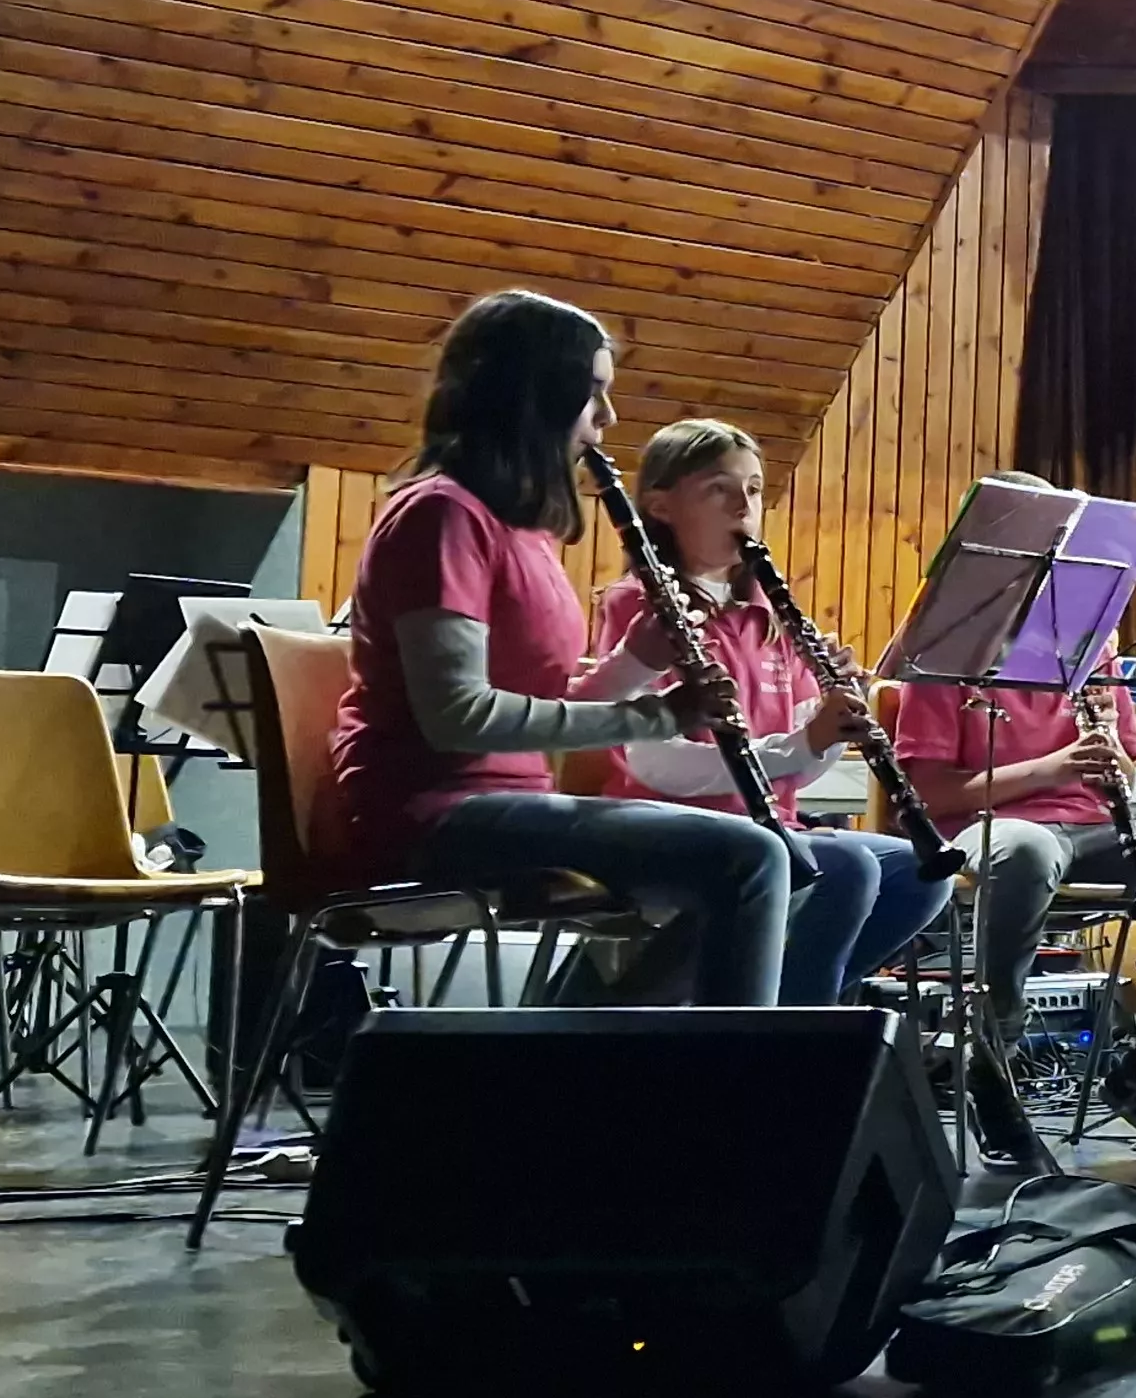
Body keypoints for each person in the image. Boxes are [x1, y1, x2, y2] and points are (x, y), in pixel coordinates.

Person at [323, 291, 788, 1005]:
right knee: (748, 859)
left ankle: (582, 1048)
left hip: (508, 800)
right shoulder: (441, 515)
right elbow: (457, 717)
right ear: (533, 395)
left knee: (772, 862)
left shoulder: (522, 530)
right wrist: (657, 717)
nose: (608, 417)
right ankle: (720, 1069)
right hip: (431, 813)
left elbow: (536, 705)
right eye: (593, 392)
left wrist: (639, 660)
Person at [896, 472, 1136, 1174]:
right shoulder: (949, 641)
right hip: (995, 825)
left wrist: (1114, 762)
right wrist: (1054, 767)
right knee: (1023, 851)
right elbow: (930, 794)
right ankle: (992, 1064)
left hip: (1097, 830)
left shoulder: (1090, 640)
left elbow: (1130, 764)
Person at [586, 420, 956, 1008]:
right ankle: (787, 1032)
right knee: (848, 867)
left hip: (769, 825)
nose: (745, 506)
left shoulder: (769, 614)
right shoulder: (641, 605)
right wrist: (804, 740)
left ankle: (781, 1009)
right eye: (719, 489)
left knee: (919, 875)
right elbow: (656, 765)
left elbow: (797, 767)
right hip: (663, 823)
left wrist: (831, 721)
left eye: (755, 490)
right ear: (660, 506)